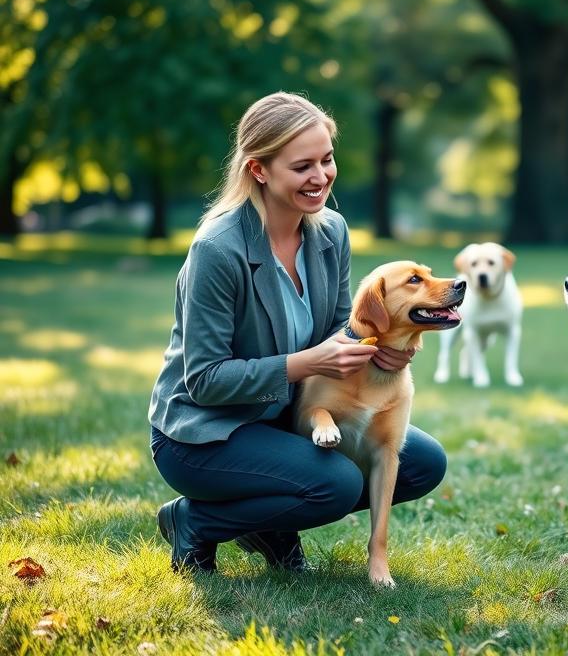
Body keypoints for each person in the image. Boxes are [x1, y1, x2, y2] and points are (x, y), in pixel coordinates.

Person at [148, 92, 446, 573]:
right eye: (302, 165)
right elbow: (203, 379)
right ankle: (195, 521)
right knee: (335, 484)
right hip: (204, 434)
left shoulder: (331, 231)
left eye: (327, 160)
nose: (321, 176)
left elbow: (338, 325)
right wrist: (307, 364)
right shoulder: (217, 249)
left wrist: (380, 349)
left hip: (289, 419)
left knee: (422, 462)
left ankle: (269, 525)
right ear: (259, 171)